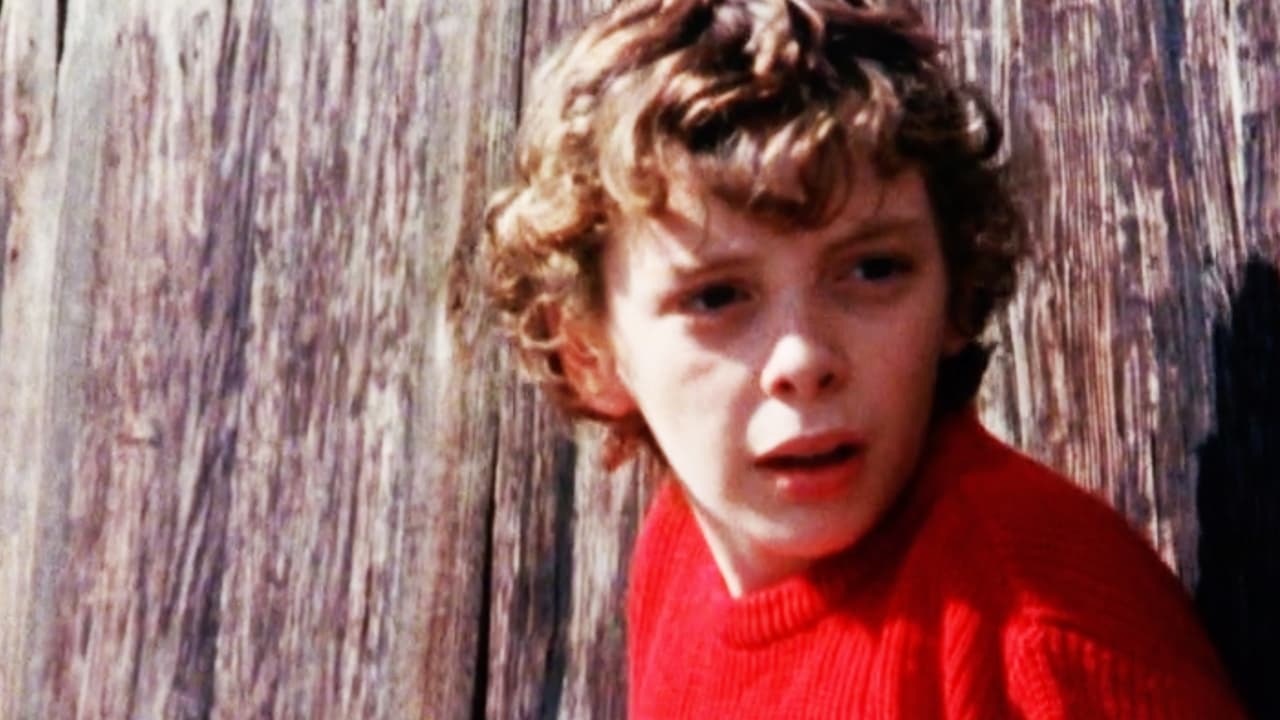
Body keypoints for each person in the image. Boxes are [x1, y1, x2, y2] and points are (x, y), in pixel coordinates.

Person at [476, 0, 1245, 716]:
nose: (804, 358)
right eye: (716, 297)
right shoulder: (680, 554)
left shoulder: (1039, 639)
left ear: (956, 293)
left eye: (872, 270)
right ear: (588, 354)